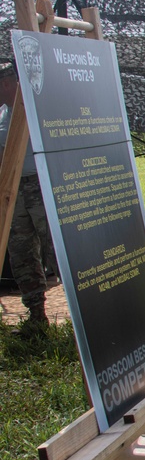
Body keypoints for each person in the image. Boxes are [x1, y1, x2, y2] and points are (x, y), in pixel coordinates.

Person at [0, 64, 59, 332]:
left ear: (8, 84)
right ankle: (37, 317)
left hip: (41, 185)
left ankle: (94, 320)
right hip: (14, 190)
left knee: (57, 251)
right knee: (22, 252)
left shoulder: (38, 110)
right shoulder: (3, 115)